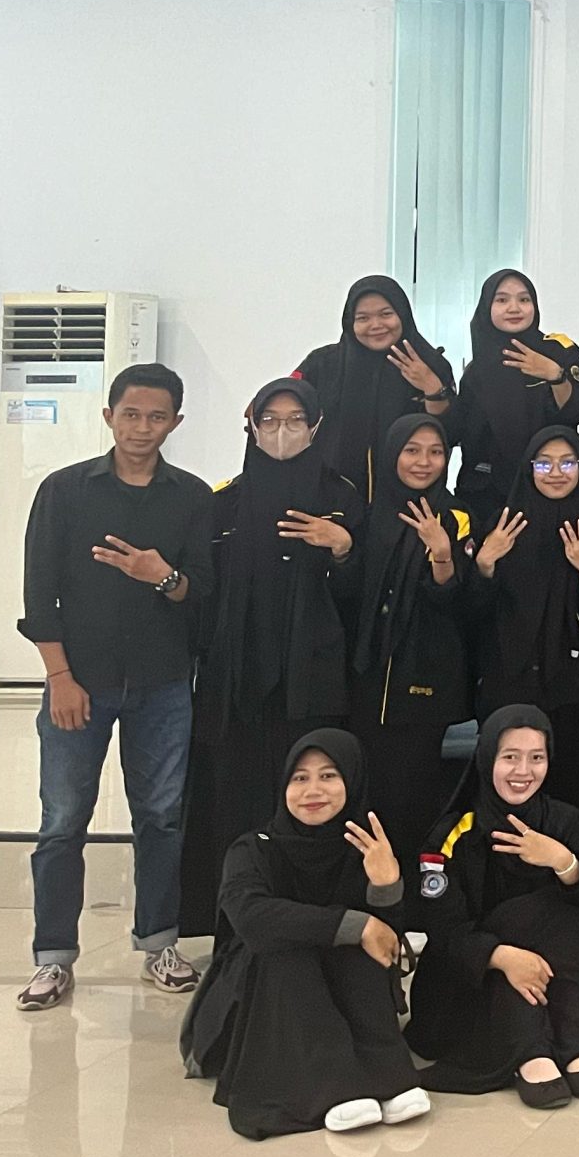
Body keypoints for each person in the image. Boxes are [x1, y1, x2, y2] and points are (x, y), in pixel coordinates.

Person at [17, 361, 207, 1009]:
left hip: (164, 685)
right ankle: (52, 958)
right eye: (131, 414)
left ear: (175, 423)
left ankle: (159, 943)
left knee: (160, 818)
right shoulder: (64, 491)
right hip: (79, 684)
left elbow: (201, 593)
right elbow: (39, 596)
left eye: (157, 416)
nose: (142, 428)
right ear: (109, 416)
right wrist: (60, 678)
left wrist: (161, 576)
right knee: (62, 822)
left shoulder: (192, 497)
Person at [179, 730, 427, 1139]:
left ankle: (388, 1077)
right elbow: (252, 918)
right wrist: (353, 925)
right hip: (254, 997)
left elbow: (386, 939)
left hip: (340, 995)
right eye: (300, 778)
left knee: (359, 949)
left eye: (328, 776)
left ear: (352, 781)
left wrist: (386, 886)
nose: (313, 790)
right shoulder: (253, 848)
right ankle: (334, 1087)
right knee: (286, 948)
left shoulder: (366, 847)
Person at [179, 378, 355, 942]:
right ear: (251, 426)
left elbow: (367, 596)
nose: (283, 431)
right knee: (236, 808)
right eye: (270, 420)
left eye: (296, 419)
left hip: (312, 685)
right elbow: (204, 593)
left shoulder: (343, 495)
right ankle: (235, 937)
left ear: (316, 426)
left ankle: (308, 932)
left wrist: (343, 547)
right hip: (237, 687)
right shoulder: (225, 501)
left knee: (309, 809)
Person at [407, 707, 579, 1105]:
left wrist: (562, 861)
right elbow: (442, 929)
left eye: (537, 757)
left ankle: (576, 1045)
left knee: (563, 916)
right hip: (467, 987)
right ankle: (532, 1053)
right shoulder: (454, 833)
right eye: (510, 757)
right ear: (487, 759)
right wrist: (501, 956)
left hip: (555, 979)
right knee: (528, 913)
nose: (523, 771)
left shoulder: (564, 820)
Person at [347, 413, 478, 874]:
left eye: (436, 452)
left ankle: (414, 894)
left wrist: (441, 552)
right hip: (366, 676)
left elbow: (459, 602)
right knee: (366, 792)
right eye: (413, 450)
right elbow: (351, 592)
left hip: (425, 677)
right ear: (392, 454)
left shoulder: (456, 515)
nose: (424, 462)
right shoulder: (369, 512)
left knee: (414, 794)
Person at [467, 425, 579, 834]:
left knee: (572, 784)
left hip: (573, 684)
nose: (556, 473)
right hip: (507, 678)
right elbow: (473, 611)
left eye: (568, 463)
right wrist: (485, 563)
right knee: (507, 787)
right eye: (544, 463)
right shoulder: (504, 522)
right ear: (528, 468)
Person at [293, 275, 454, 499]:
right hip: (334, 496)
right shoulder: (324, 363)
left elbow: (449, 433)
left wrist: (431, 386)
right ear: (350, 322)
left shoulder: (429, 363)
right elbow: (287, 401)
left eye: (386, 314)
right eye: (363, 318)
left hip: (409, 499)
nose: (376, 325)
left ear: (403, 314)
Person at [455, 268, 579, 513]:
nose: (514, 308)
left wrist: (555, 375)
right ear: (486, 307)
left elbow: (574, 413)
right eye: (502, 300)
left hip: (549, 483)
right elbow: (463, 434)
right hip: (487, 493)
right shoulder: (475, 370)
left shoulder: (559, 351)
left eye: (524, 299)